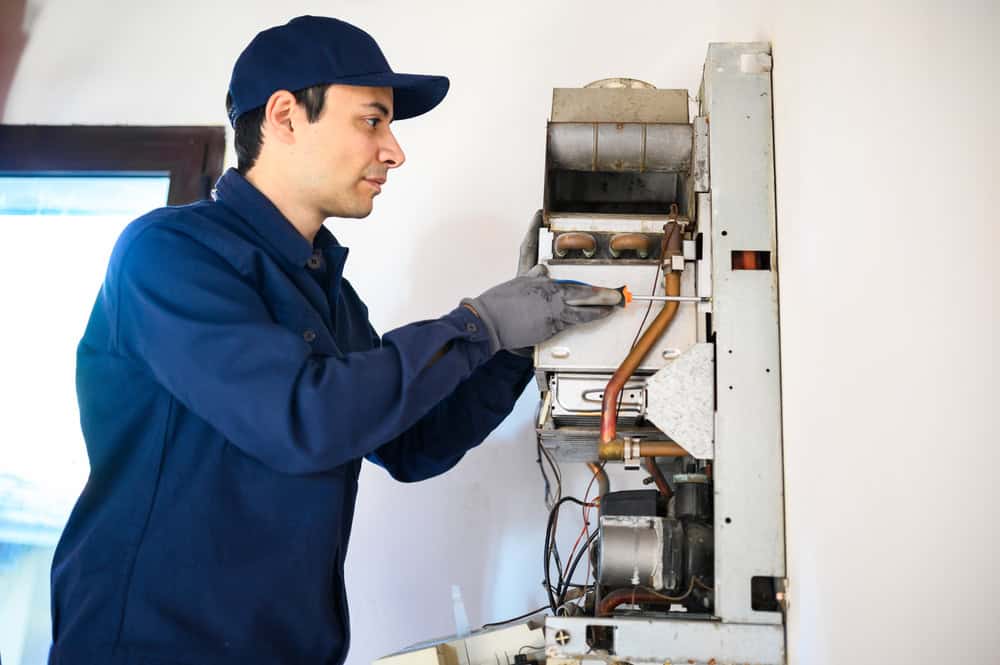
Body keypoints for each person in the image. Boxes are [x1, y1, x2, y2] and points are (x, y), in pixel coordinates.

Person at [48, 15, 613, 665]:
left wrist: (512, 344)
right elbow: (304, 416)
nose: (394, 150)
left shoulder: (328, 296)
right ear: (285, 117)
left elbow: (412, 441)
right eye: (372, 120)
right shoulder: (169, 255)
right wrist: (477, 325)